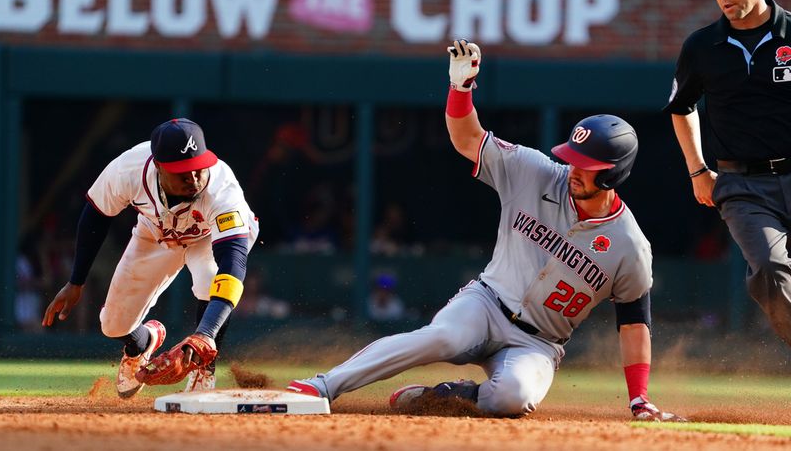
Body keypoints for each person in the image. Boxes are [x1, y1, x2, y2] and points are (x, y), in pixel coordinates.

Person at [287, 40, 682, 420]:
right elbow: (468, 138)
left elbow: (634, 323)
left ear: (613, 174)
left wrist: (640, 398)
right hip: (485, 304)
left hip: (538, 343)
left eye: (587, 165)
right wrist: (461, 89)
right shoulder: (535, 172)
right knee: (441, 337)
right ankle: (324, 384)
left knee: (514, 397)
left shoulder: (628, 246)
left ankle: (444, 396)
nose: (574, 169)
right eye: (573, 158)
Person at [42, 118, 260, 398]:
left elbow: (232, 265)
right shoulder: (128, 169)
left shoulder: (221, 191)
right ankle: (142, 343)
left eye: (198, 168)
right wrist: (76, 281)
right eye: (182, 172)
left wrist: (205, 334)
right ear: (158, 166)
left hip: (208, 236)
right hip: (156, 232)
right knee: (113, 325)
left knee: (210, 279)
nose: (194, 178)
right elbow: (96, 216)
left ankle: (203, 370)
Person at [665, 0, 791, 348]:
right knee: (772, 272)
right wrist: (698, 170)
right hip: (743, 187)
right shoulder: (701, 47)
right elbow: (681, 107)